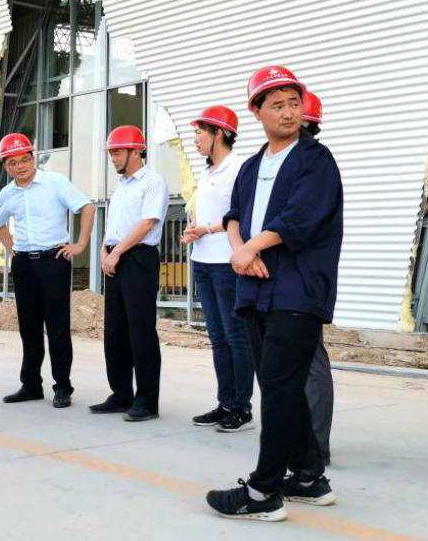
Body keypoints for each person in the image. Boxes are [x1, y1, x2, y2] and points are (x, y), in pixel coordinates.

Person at [205, 66, 342, 522]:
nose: (288, 112)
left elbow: (301, 218)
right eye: (278, 105)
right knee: (277, 383)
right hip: (256, 287)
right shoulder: (251, 166)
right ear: (257, 111)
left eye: (294, 103)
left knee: (280, 386)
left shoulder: (316, 160)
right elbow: (233, 216)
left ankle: (263, 491)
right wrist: (240, 249)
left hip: (298, 289)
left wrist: (252, 248)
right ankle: (308, 477)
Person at [0, 133, 94, 408]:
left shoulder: (55, 182)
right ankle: (31, 385)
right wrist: (11, 249)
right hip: (24, 264)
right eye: (13, 163)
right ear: (6, 166)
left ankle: (62, 387)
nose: (20, 167)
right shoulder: (7, 193)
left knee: (57, 326)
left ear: (33, 158)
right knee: (29, 327)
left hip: (53, 260)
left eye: (24, 160)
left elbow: (86, 207)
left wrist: (80, 244)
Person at [90, 125, 168, 423]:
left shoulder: (153, 182)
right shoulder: (121, 186)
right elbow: (115, 224)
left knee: (140, 330)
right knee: (115, 331)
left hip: (138, 258)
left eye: (118, 152)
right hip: (115, 256)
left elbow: (147, 223)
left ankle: (147, 400)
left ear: (137, 152)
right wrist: (104, 249)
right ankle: (121, 394)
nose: (113, 158)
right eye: (111, 153)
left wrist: (118, 251)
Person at [182, 105, 254, 433]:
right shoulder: (208, 172)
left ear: (220, 133)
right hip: (203, 261)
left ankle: (242, 408)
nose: (195, 139)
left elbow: (242, 216)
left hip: (227, 262)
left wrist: (208, 229)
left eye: (200, 133)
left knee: (236, 336)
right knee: (217, 337)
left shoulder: (238, 169)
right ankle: (225, 403)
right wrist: (194, 229)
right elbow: (210, 214)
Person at [299, 90, 334, 466]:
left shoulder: (316, 163)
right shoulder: (291, 161)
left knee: (310, 360)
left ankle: (315, 447)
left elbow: (298, 223)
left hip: (305, 279)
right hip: (288, 278)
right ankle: (301, 441)